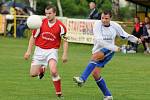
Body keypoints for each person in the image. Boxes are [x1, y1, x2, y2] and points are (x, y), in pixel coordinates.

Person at [73, 10, 141, 100]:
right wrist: (115, 48)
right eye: (102, 18)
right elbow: (100, 41)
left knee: (95, 57)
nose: (104, 20)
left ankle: (82, 79)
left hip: (109, 50)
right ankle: (108, 95)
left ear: (110, 18)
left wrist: (136, 40)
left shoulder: (115, 26)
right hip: (100, 48)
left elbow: (125, 35)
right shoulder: (97, 25)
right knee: (95, 74)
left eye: (106, 18)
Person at [24, 5, 68, 99]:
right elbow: (33, 37)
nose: (47, 15)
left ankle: (59, 93)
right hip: (39, 51)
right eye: (46, 13)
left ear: (55, 13)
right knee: (33, 74)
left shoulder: (61, 26)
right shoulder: (40, 23)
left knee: (53, 71)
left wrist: (64, 54)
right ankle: (42, 69)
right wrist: (28, 51)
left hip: (52, 51)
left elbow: (65, 41)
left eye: (50, 13)